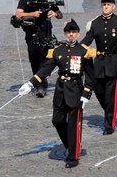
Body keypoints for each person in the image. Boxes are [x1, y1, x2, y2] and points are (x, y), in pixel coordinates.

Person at [19, 20, 95, 168]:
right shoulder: (57, 50)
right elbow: (46, 69)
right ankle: (69, 145)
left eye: (73, 32)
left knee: (73, 125)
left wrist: (87, 93)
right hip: (60, 91)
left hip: (75, 90)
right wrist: (30, 83)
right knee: (57, 121)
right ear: (65, 34)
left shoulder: (83, 51)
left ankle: (73, 156)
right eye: (68, 32)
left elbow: (90, 76)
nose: (71, 34)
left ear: (78, 34)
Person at [82, 0, 117, 134]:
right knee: (99, 92)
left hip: (114, 62)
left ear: (113, 7)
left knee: (110, 95)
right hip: (99, 63)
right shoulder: (95, 23)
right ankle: (110, 110)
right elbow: (87, 40)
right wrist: (76, 50)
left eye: (108, 5)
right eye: (104, 5)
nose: (106, 7)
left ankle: (109, 124)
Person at [15, 0, 63, 97]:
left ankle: (41, 83)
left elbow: (60, 15)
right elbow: (18, 14)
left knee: (47, 59)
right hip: (32, 33)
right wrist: (33, 14)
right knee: (34, 60)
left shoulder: (49, 0)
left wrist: (55, 14)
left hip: (46, 33)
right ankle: (39, 84)